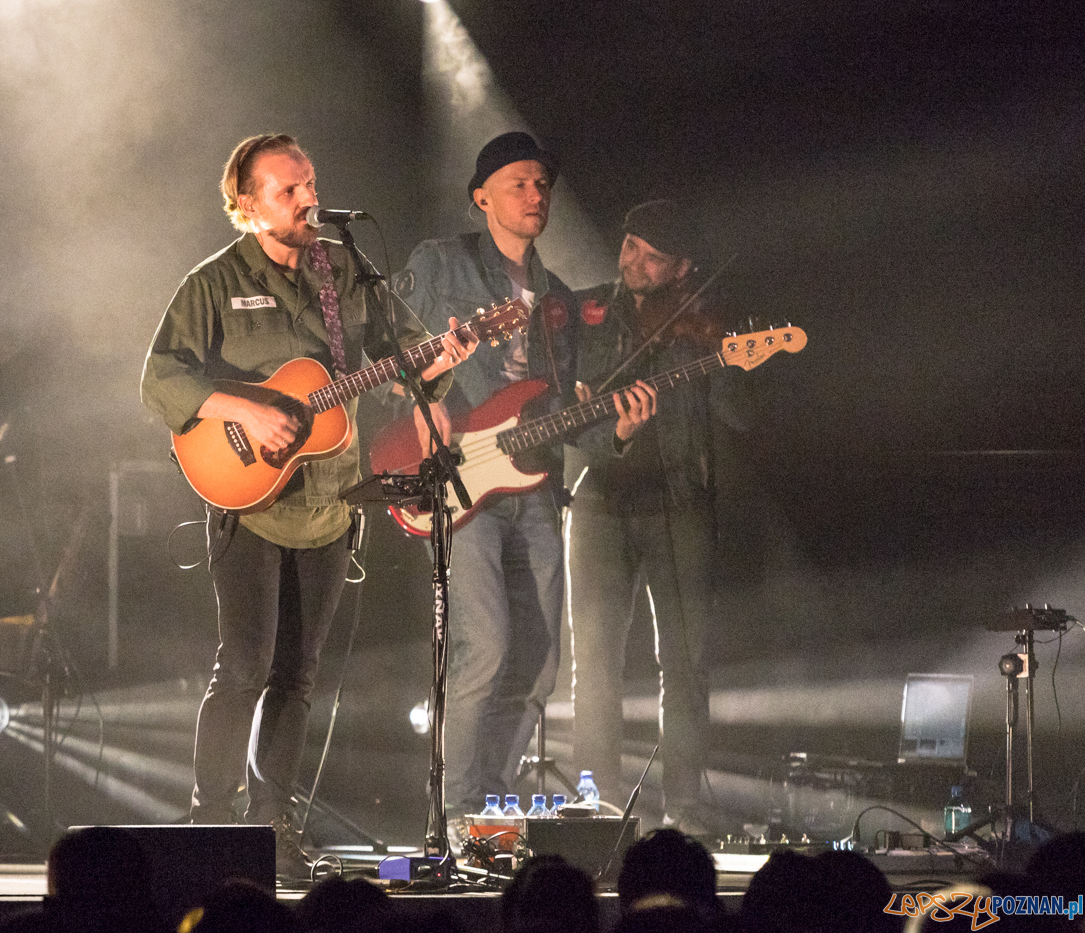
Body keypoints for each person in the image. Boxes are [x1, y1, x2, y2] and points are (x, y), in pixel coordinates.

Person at [141, 133, 475, 877]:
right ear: (247, 205)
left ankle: (271, 827)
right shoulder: (213, 282)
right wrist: (245, 410)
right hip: (249, 505)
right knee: (244, 668)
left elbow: (410, 357)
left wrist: (443, 359)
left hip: (330, 509)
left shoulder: (345, 272)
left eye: (311, 184)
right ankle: (210, 826)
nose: (307, 199)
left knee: (296, 678)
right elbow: (159, 379)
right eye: (288, 190)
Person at [396, 132, 655, 833]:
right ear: (481, 197)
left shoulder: (559, 299)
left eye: (543, 185)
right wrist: (421, 402)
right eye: (520, 183)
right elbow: (384, 347)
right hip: (460, 478)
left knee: (539, 664)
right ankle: (453, 811)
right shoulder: (441, 262)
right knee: (485, 645)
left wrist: (617, 429)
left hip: (536, 487)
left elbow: (564, 411)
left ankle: (488, 807)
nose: (537, 195)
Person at [565, 198, 740, 829]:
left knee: (685, 665)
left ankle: (684, 808)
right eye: (629, 245)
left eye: (653, 256)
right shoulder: (585, 312)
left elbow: (742, 417)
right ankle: (597, 806)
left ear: (684, 267)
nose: (633, 261)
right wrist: (616, 433)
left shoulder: (702, 320)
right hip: (599, 500)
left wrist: (724, 354)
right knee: (593, 667)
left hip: (679, 500)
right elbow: (566, 416)